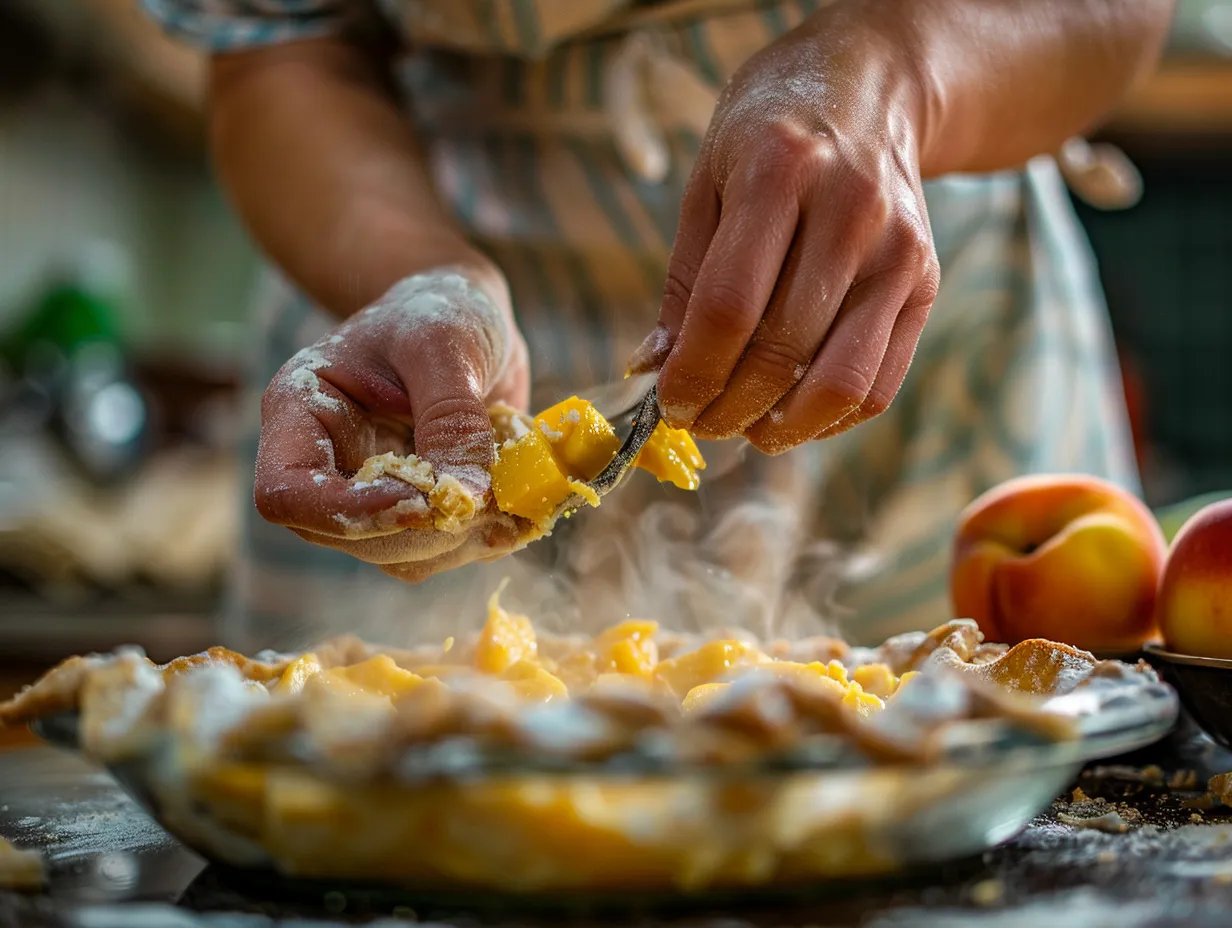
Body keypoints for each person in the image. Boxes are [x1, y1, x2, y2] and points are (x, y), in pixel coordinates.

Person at [142, 0, 1174, 651]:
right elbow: (280, 45)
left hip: (894, 297)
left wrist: (899, 70)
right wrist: (418, 278)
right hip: (409, 314)